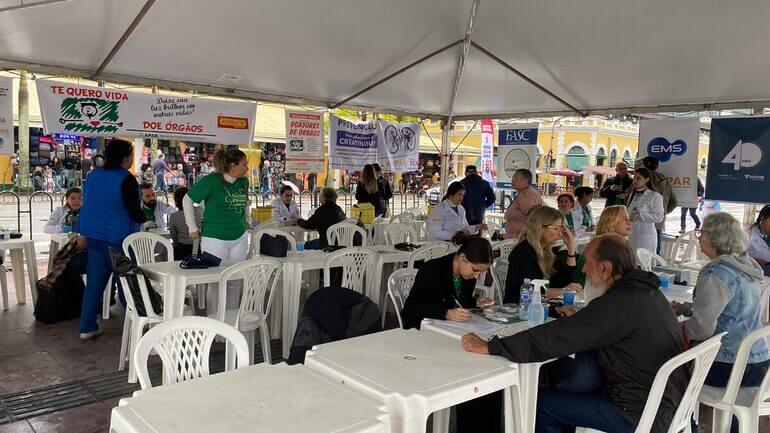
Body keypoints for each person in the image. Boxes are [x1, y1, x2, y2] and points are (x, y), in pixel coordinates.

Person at [462, 234, 687, 433]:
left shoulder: (619, 303)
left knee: (540, 406)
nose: (583, 269)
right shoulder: (648, 292)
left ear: (605, 268)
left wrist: (492, 346)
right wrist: (583, 321)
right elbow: (608, 326)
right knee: (571, 380)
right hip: (665, 400)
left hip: (637, 412)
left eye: (587, 263)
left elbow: (557, 337)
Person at [672, 212, 769, 433]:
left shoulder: (717, 273)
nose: (698, 238)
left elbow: (701, 329)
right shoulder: (747, 265)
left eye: (701, 233)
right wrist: (686, 309)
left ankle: (686, 427)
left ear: (714, 237)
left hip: (727, 365)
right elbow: (732, 312)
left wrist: (675, 326)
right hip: (757, 363)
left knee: (668, 372)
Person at [400, 237, 498, 433]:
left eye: (481, 272)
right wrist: (446, 313)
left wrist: (475, 301)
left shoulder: (466, 276)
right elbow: (413, 306)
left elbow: (460, 300)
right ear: (462, 258)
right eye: (475, 270)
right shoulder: (433, 270)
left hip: (450, 330)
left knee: (483, 362)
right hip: (422, 330)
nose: (476, 276)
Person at [78, 139, 146, 340]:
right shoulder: (126, 179)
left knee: (94, 284)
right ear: (126, 157)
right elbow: (134, 211)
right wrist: (146, 220)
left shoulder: (93, 175)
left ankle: (87, 327)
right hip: (117, 238)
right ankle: (139, 327)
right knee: (127, 281)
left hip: (93, 236)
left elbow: (88, 203)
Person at [184, 148, 250, 262]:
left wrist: (248, 219)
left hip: (240, 236)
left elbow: (245, 202)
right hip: (214, 238)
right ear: (234, 165)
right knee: (216, 276)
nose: (247, 168)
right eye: (244, 165)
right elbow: (187, 200)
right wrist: (192, 227)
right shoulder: (210, 180)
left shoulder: (244, 181)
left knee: (238, 275)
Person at [504, 206, 580, 304]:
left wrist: (571, 248)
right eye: (556, 228)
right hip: (520, 308)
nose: (560, 234)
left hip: (540, 305)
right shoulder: (523, 253)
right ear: (541, 228)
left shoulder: (547, 251)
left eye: (561, 228)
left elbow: (567, 280)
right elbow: (532, 290)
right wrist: (564, 290)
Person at [572, 205, 632, 298]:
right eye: (625, 219)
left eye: (629, 219)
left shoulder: (622, 245)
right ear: (612, 222)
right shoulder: (598, 249)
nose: (630, 222)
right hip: (584, 294)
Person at [641, 156, 677, 253]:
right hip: (658, 221)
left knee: (642, 252)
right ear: (657, 166)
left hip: (643, 222)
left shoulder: (641, 181)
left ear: (644, 166)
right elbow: (674, 202)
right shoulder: (665, 182)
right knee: (656, 251)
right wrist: (662, 211)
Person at [626, 167, 664, 255]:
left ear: (647, 179)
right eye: (634, 177)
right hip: (632, 233)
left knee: (643, 264)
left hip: (646, 235)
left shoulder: (655, 196)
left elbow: (659, 217)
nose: (635, 180)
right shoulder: (632, 194)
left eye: (638, 178)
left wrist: (640, 214)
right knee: (632, 261)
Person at [504, 168, 543, 240]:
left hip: (520, 239)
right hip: (521, 237)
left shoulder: (525, 195)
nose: (512, 181)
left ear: (524, 181)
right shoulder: (530, 191)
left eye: (515, 178)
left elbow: (534, 213)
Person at [168, 187, 203, 259]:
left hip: (182, 250)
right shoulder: (200, 210)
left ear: (176, 201)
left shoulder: (174, 216)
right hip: (200, 248)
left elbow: (173, 236)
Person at [748, 204, 770, 276]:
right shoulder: (747, 237)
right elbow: (738, 259)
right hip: (759, 278)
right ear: (763, 218)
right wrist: (751, 261)